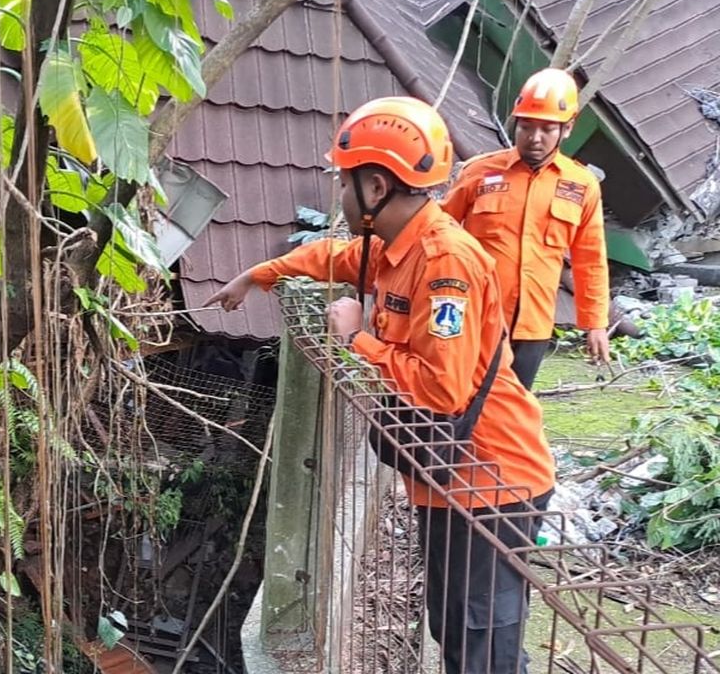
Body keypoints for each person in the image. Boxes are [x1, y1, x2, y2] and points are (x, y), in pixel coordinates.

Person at [205, 96, 556, 673]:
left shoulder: (446, 265)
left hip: (492, 480)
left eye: (344, 183)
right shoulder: (399, 247)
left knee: (480, 642)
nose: (339, 197)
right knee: (454, 625)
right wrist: (257, 275)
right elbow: (336, 258)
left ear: (374, 188)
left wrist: (358, 338)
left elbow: (442, 391)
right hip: (451, 473)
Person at [442, 68, 610, 390]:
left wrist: (595, 324)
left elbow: (590, 260)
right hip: (476, 318)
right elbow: (440, 233)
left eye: (547, 129)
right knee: (461, 405)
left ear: (568, 129)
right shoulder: (479, 173)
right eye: (526, 127)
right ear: (515, 123)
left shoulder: (581, 186)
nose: (534, 138)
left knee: (513, 410)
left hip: (532, 328)